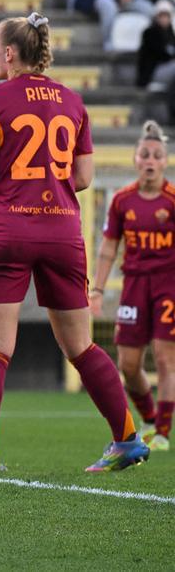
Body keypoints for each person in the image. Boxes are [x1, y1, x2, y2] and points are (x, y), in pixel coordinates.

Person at [0, 11, 148, 473]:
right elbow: (84, 177)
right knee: (82, 346)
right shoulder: (72, 100)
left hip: (9, 227)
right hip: (63, 230)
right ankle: (127, 438)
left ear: (10, 53)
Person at [89, 121, 175, 453]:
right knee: (127, 364)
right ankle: (151, 419)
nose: (150, 160)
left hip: (168, 284)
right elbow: (109, 246)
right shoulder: (122, 200)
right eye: (145, 154)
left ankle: (163, 432)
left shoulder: (171, 200)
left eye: (156, 155)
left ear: (164, 161)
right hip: (134, 285)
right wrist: (97, 290)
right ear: (135, 160)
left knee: (166, 358)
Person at [136, 0, 175, 91]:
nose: (164, 19)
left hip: (167, 68)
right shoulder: (149, 33)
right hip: (153, 71)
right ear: (156, 17)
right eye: (161, 16)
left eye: (166, 16)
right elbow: (160, 53)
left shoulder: (170, 33)